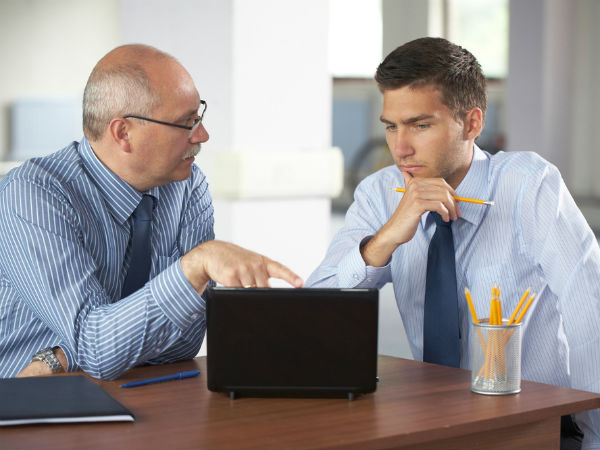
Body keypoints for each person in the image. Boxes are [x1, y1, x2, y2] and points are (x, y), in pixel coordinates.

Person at [306, 37, 599, 449]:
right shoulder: (379, 193)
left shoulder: (528, 184)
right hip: (434, 426)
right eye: (391, 126)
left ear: (472, 123)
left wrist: (592, 439)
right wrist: (387, 237)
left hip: (533, 427)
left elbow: (590, 315)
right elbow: (314, 310)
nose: (400, 148)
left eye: (420, 125)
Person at [0, 44, 302, 381]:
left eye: (199, 117)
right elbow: (98, 350)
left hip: (125, 390)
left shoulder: (188, 186)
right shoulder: (33, 195)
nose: (203, 135)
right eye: (186, 123)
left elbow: (186, 342)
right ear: (123, 133)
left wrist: (64, 356)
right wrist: (194, 267)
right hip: (28, 401)